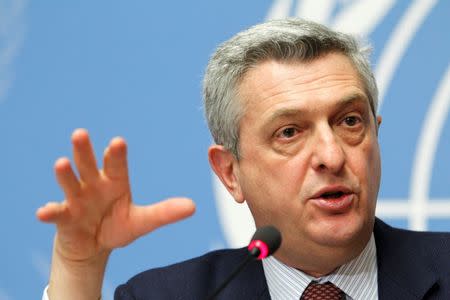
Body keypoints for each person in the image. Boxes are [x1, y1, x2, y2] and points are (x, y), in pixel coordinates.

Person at [37, 18, 450, 300]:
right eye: (289, 132)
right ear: (230, 172)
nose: (331, 155)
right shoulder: (167, 296)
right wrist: (78, 267)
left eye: (349, 121)